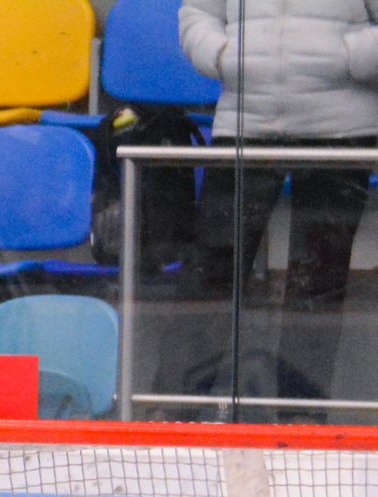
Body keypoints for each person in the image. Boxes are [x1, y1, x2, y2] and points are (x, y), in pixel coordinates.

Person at [159, 2, 378, 418]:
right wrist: (221, 55)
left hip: (342, 127)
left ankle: (301, 418)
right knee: (211, 270)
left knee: (318, 280)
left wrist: (347, 57)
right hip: (246, 123)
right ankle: (173, 410)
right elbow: (198, 13)